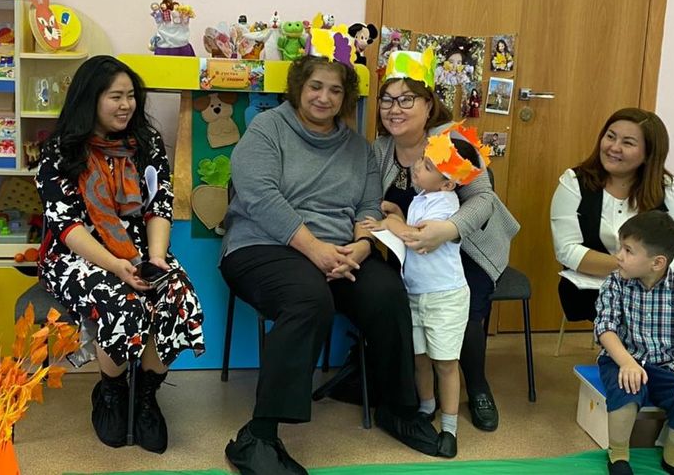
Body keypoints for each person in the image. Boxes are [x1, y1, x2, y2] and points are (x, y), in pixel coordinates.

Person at [220, 39, 440, 475]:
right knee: (309, 298)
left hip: (341, 252)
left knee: (387, 292)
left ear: (346, 97)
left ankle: (396, 407)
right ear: (299, 87)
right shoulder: (267, 129)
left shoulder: (358, 148)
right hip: (262, 247)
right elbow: (259, 195)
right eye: (316, 87)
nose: (324, 97)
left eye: (335, 90)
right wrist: (314, 249)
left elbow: (368, 206)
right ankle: (257, 438)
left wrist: (362, 246)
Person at [35, 56, 205, 453]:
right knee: (121, 300)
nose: (126, 105)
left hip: (141, 250)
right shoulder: (59, 151)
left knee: (177, 293)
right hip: (75, 255)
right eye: (116, 96)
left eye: (131, 96)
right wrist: (116, 266)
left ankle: (145, 395)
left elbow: (159, 206)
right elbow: (67, 226)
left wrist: (157, 259)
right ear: (90, 99)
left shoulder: (146, 145)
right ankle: (111, 392)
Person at [374, 49, 520, 432]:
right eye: (387, 99)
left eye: (406, 99)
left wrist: (448, 230)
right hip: (412, 252)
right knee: (390, 299)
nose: (394, 109)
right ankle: (424, 392)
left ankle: (477, 384)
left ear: (428, 104)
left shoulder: (451, 138)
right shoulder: (380, 149)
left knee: (462, 305)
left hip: (468, 247)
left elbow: (484, 200)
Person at [361, 128, 489, 458]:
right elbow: (412, 227)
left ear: (448, 184)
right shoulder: (423, 196)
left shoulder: (446, 204)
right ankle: (427, 406)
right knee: (419, 357)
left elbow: (416, 238)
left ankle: (449, 428)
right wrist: (399, 215)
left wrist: (391, 224)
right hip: (416, 292)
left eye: (428, 166)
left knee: (445, 363)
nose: (417, 166)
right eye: (422, 160)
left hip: (445, 297)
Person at [595, 211, 674, 475]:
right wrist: (627, 363)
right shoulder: (614, 284)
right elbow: (605, 328)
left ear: (657, 263)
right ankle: (618, 455)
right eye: (620, 247)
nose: (619, 256)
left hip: (667, 367)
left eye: (628, 250)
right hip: (622, 360)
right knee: (626, 389)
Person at [550, 108, 674, 323]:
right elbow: (566, 250)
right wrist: (634, 268)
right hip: (592, 289)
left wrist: (648, 275)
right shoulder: (574, 182)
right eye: (610, 137)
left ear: (648, 154)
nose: (614, 147)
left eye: (628, 143)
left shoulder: (666, 187)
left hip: (652, 288)